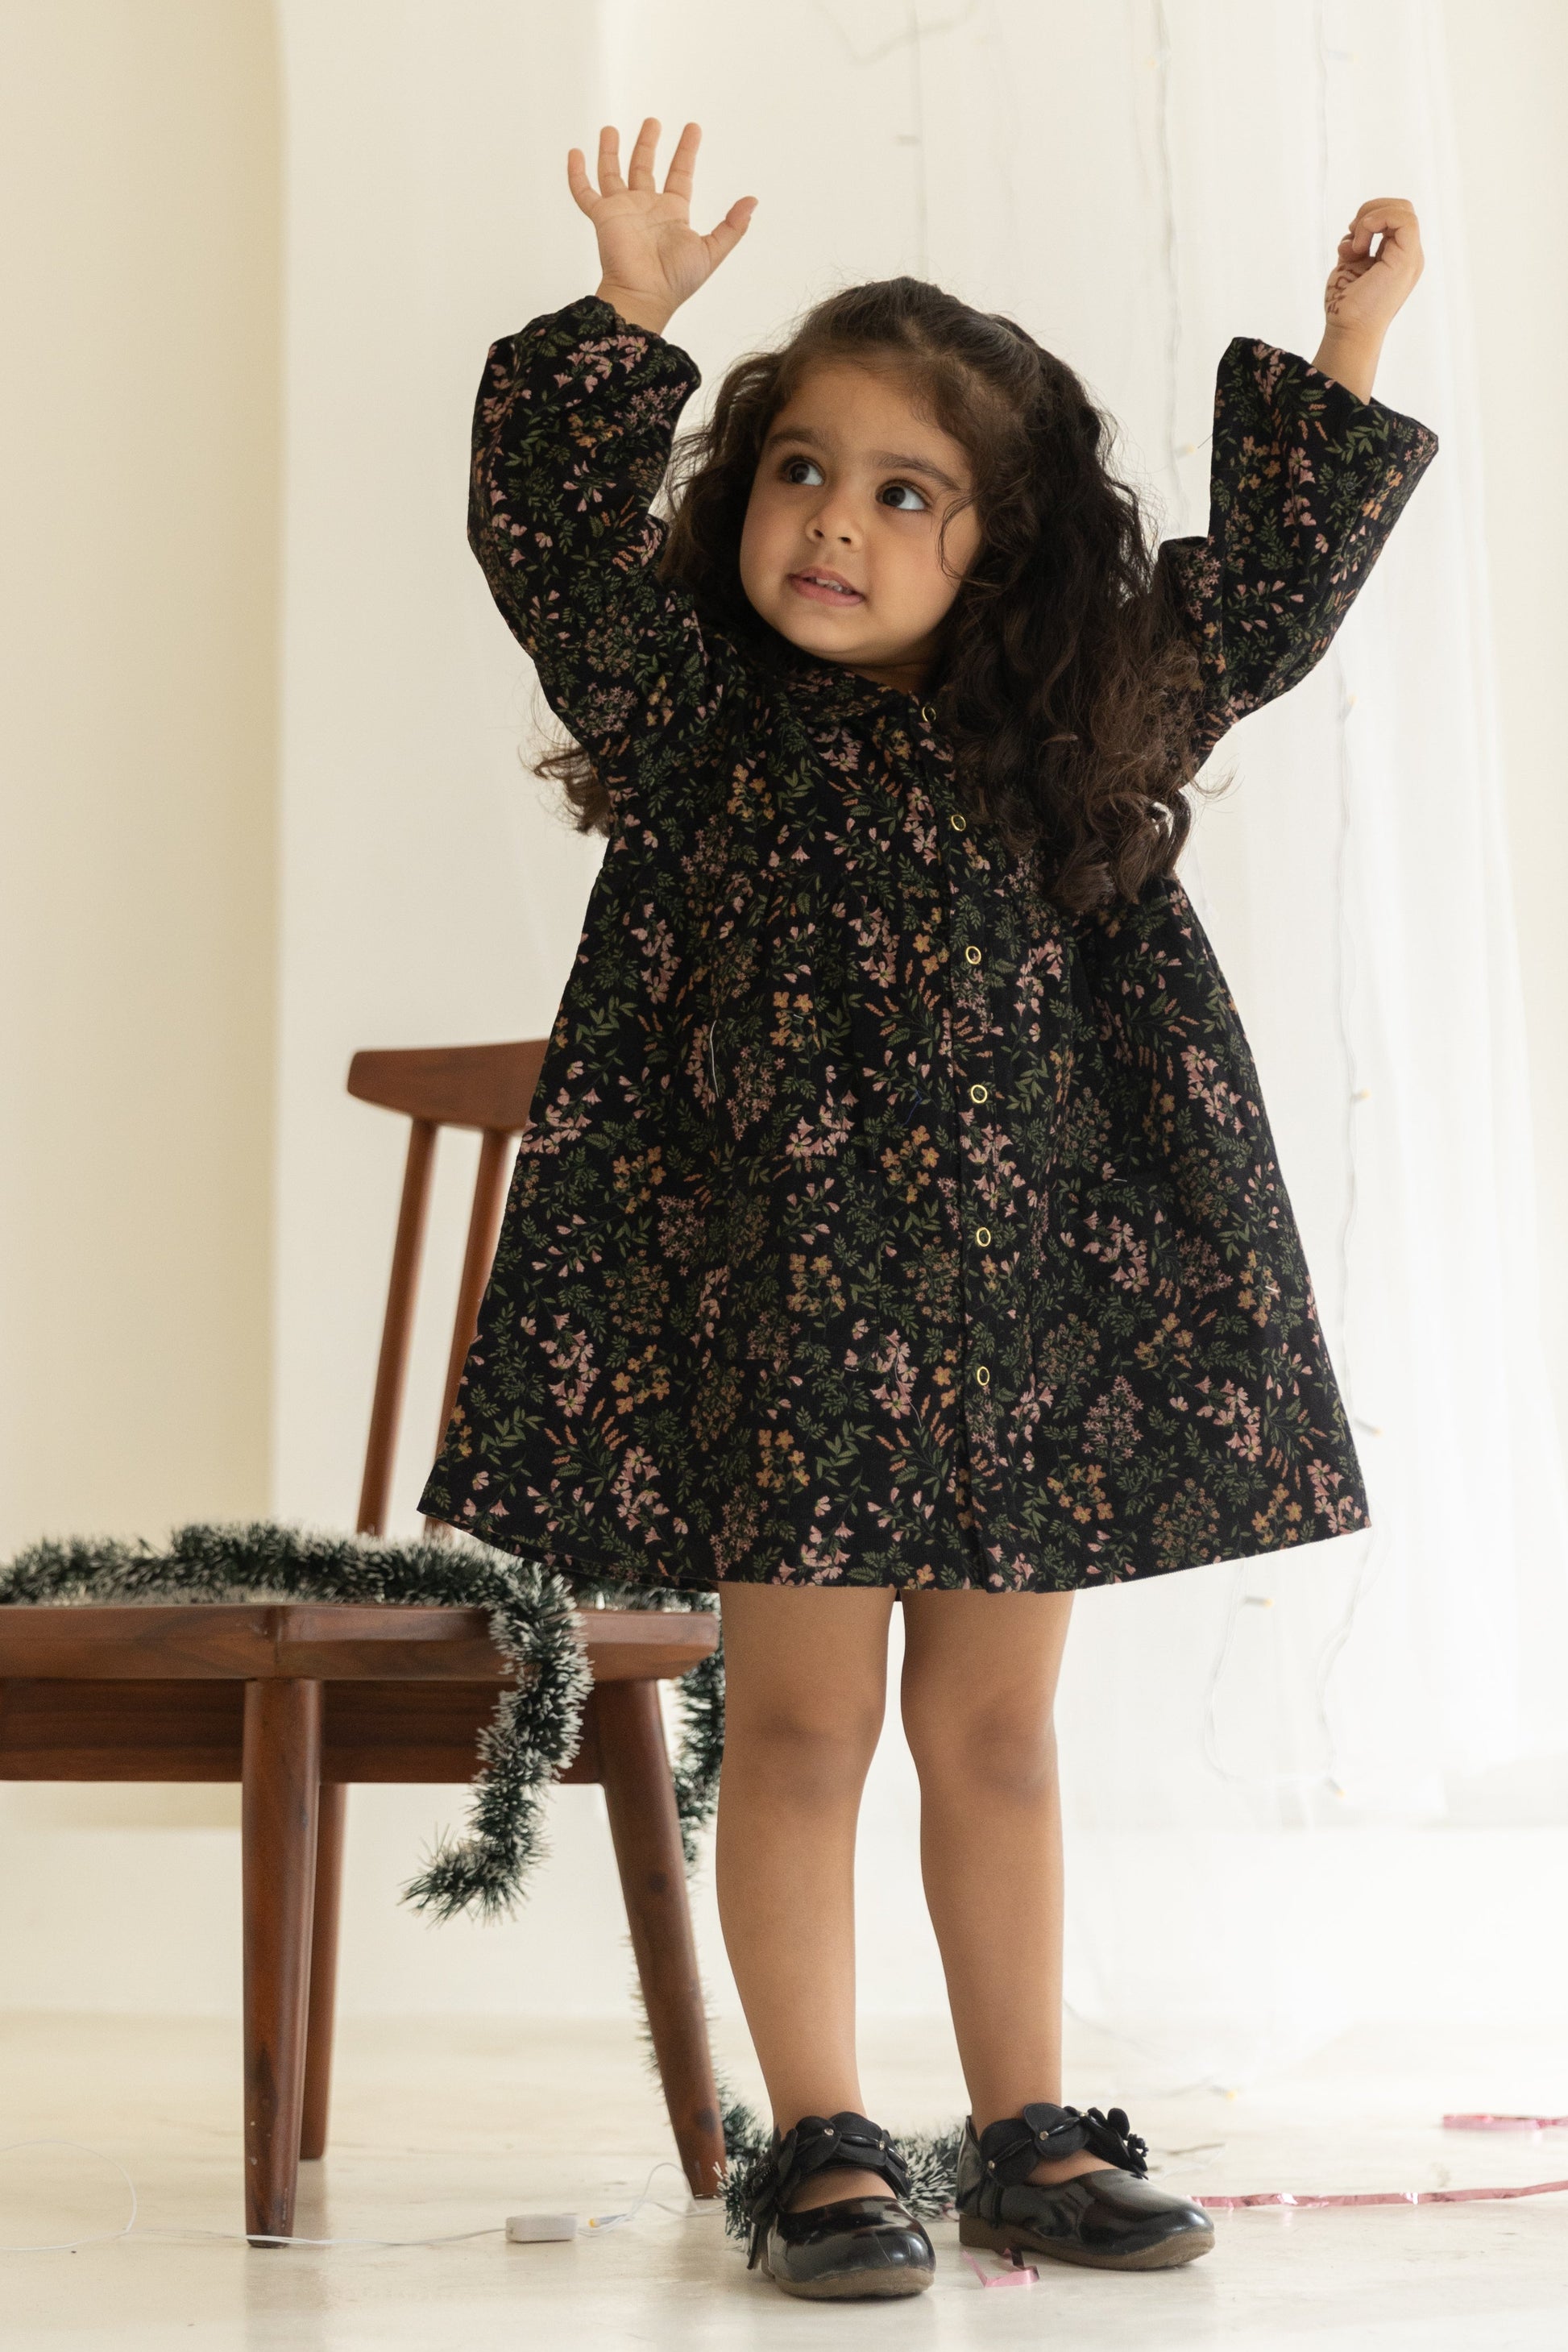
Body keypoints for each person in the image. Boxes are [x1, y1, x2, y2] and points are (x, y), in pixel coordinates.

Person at [421, 117, 1436, 2300]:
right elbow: (542, 543)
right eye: (800, 467)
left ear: (1002, 548)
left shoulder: (1070, 722)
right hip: (787, 1312)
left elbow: (1254, 609)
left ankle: (1027, 2127)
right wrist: (623, 321)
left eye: (905, 491)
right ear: (741, 491)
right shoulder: (693, 712)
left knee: (992, 1729)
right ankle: (817, 2141)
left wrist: (1341, 351)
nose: (835, 521)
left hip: (1027, 1310)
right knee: (790, 1728)